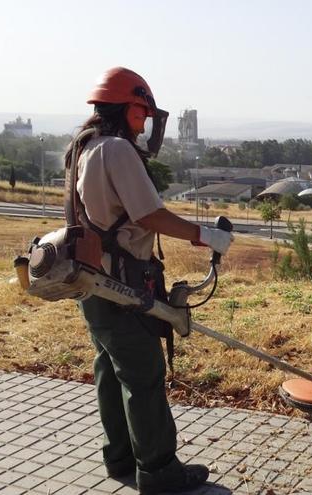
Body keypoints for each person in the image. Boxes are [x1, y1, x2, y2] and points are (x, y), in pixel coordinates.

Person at [66, 67, 232, 494]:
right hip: (121, 284)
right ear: (129, 108)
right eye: (142, 113)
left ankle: (120, 457)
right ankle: (159, 472)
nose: (145, 124)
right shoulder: (118, 150)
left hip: (92, 281)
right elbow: (148, 214)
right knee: (143, 372)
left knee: (110, 367)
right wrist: (203, 234)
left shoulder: (85, 146)